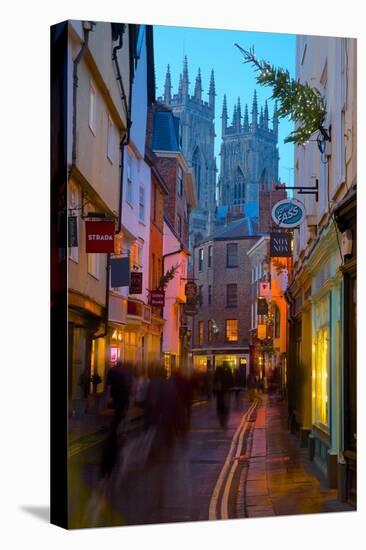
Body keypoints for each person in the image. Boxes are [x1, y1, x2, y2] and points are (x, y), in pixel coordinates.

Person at [100, 361, 133, 478]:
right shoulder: (124, 372)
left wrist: (108, 396)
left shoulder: (111, 371)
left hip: (116, 396)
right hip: (123, 397)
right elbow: (128, 385)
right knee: (120, 414)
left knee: (117, 413)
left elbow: (108, 385)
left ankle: (116, 427)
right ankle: (118, 429)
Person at [213, 362, 234, 428]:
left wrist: (214, 392)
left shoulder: (217, 373)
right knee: (226, 406)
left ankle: (221, 419)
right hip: (226, 391)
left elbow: (214, 383)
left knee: (220, 406)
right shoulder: (228, 372)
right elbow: (231, 381)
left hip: (220, 392)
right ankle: (224, 420)